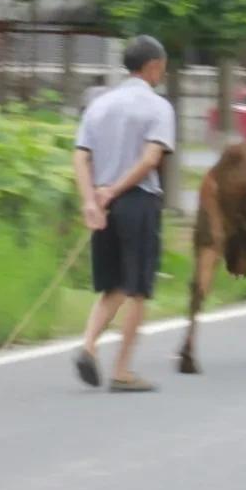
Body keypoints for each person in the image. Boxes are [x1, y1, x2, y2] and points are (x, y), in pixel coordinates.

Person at [71, 35, 176, 392]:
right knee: (138, 290)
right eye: (162, 66)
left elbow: (81, 155)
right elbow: (150, 160)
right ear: (154, 66)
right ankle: (122, 370)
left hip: (103, 202)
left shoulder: (99, 105)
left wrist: (91, 200)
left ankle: (87, 346)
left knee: (113, 285)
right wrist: (116, 190)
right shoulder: (159, 107)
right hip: (137, 202)